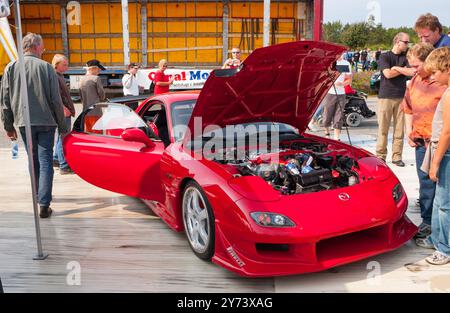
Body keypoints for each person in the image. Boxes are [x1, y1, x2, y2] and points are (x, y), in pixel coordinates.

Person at [0, 33, 68, 218]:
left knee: (33, 159)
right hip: (46, 122)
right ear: (37, 47)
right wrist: (63, 128)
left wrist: (8, 126)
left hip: (24, 122)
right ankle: (44, 203)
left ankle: (39, 195)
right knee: (45, 160)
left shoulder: (11, 68)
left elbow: (5, 100)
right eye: (42, 46)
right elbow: (55, 100)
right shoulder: (46, 68)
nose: (43, 49)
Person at [402, 43, 447, 240]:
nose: (413, 70)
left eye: (416, 65)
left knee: (443, 190)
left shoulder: (443, 82)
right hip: (420, 142)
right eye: (410, 66)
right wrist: (409, 132)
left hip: (439, 144)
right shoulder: (413, 81)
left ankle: (441, 232)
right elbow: (408, 108)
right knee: (426, 186)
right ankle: (428, 222)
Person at [417, 47, 450, 265]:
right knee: (439, 200)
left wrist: (435, 163)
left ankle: (445, 249)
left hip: (445, 153)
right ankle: (437, 239)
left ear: (448, 68)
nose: (433, 78)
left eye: (436, 72)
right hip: (442, 151)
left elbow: (447, 131)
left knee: (445, 204)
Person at [376, 32, 416, 167]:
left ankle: (397, 157)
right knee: (383, 129)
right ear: (397, 42)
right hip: (385, 96)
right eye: (406, 42)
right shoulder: (384, 56)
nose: (407, 45)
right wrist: (403, 70)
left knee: (400, 130)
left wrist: (397, 68)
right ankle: (380, 156)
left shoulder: (406, 57)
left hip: (401, 96)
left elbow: (412, 72)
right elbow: (387, 74)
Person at [52, 54, 75, 175]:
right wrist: (63, 108)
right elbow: (55, 95)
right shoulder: (55, 76)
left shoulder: (59, 75)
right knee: (63, 137)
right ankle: (64, 165)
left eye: (67, 64)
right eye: (64, 65)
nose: (67, 67)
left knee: (61, 136)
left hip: (63, 111)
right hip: (63, 112)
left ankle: (56, 159)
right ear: (56, 65)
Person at [321, 54, 352, 141]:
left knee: (339, 116)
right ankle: (327, 134)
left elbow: (349, 79)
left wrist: (342, 84)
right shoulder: (329, 63)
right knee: (327, 115)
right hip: (329, 93)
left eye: (340, 53)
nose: (337, 55)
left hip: (341, 93)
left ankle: (336, 137)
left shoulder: (346, 63)